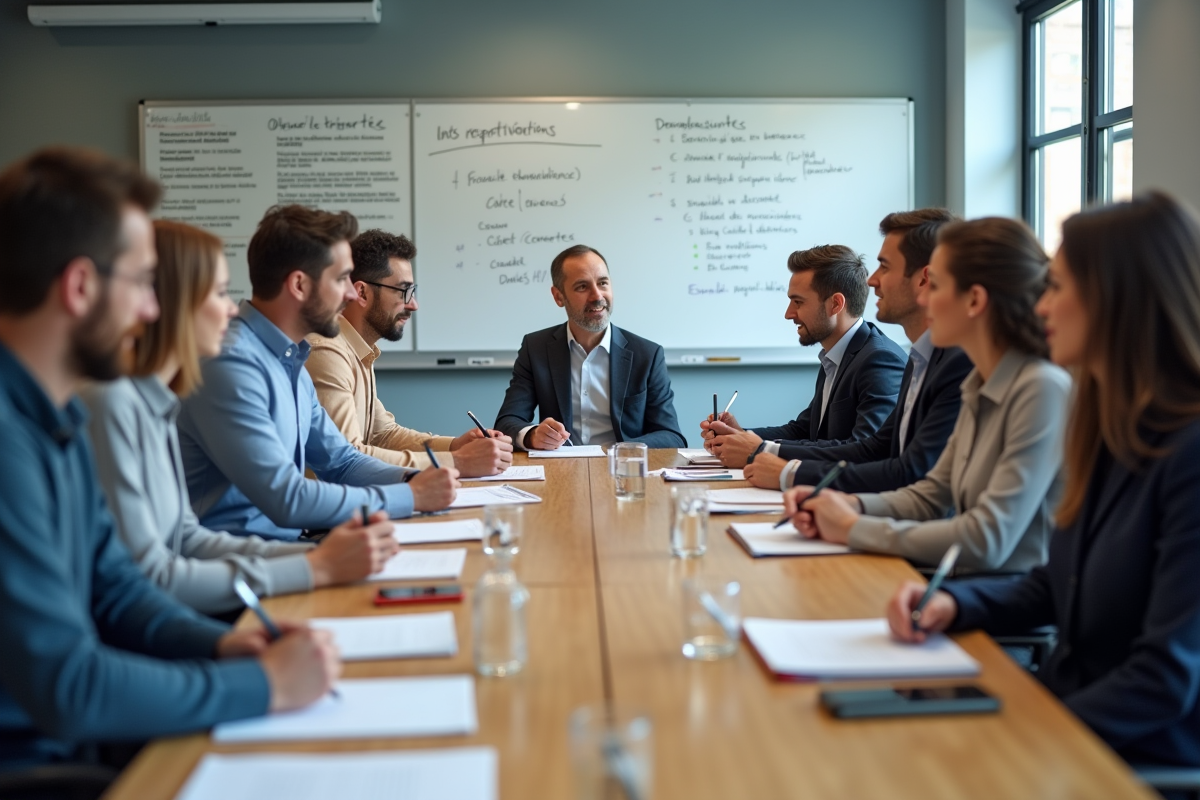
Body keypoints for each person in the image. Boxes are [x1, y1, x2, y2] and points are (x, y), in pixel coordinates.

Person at [0, 147, 337, 775]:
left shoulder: (57, 416)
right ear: (80, 287)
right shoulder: (12, 438)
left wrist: (228, 644)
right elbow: (68, 685)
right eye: (140, 284)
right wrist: (264, 685)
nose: (153, 310)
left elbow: (118, 589)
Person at [887, 192, 1200, 772]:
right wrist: (953, 603)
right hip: (1058, 716)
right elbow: (1054, 585)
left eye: (1057, 287)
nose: (1042, 304)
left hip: (1124, 759)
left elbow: (1165, 677)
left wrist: (1022, 735)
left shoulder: (1187, 455)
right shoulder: (1106, 426)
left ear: (1117, 298)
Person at [83, 220, 399, 616]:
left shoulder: (157, 401)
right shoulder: (118, 402)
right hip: (184, 609)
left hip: (220, 582)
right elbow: (153, 579)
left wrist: (318, 558)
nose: (233, 309)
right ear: (170, 303)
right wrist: (316, 565)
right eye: (219, 293)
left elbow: (185, 538)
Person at [783, 217, 1070, 572]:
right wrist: (847, 506)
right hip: (955, 582)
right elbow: (929, 495)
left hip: (991, 595)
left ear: (974, 300)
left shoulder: (1040, 388)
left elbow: (986, 539)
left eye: (934, 286)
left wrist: (851, 527)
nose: (922, 298)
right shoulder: (978, 382)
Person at [178, 205, 458, 541]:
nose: (352, 294)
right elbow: (287, 498)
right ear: (299, 285)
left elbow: (342, 461)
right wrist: (410, 496)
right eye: (341, 279)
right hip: (247, 558)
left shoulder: (291, 357)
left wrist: (412, 480)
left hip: (290, 545)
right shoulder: (232, 364)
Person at [744, 210, 972, 492]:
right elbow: (872, 447)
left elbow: (904, 470)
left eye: (884, 267)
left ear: (925, 280)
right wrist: (746, 439)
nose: (871, 280)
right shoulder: (918, 359)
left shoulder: (896, 359)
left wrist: (784, 468)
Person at [305, 229, 514, 475]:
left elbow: (383, 434)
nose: (413, 305)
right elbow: (347, 457)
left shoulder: (359, 350)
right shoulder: (327, 352)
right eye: (403, 291)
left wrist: (455, 446)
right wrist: (458, 461)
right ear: (362, 293)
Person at [702, 244, 907, 467]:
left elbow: (865, 449)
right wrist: (740, 435)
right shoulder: (835, 356)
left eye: (798, 302)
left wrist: (760, 450)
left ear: (835, 304)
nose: (788, 314)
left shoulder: (879, 360)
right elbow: (806, 430)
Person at [494, 244, 686, 450]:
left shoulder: (647, 355)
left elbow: (671, 436)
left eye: (602, 283)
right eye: (582, 287)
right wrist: (532, 435)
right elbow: (507, 423)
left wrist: (620, 450)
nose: (597, 296)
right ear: (558, 296)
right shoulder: (536, 349)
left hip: (621, 464)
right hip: (560, 465)